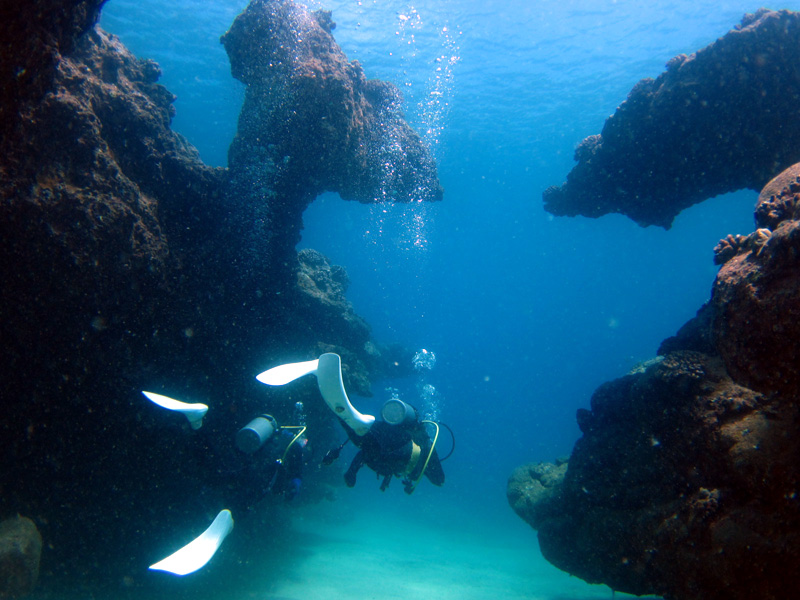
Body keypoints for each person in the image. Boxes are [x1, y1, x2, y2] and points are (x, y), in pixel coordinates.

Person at [339, 401, 445, 494]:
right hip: (391, 460)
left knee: (368, 440)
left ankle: (344, 417)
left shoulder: (396, 432)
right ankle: (346, 418)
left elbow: (365, 451)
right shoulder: (425, 444)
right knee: (371, 445)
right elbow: (439, 480)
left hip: (385, 454)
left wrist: (352, 471)